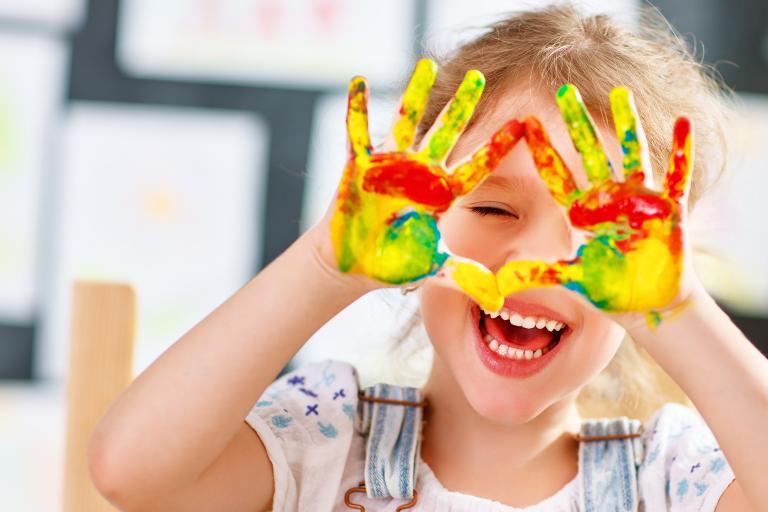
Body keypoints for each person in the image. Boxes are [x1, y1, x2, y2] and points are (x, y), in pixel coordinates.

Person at [87, 5, 768, 511]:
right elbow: (132, 473)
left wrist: (678, 310)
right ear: (412, 222)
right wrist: (326, 267)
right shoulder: (324, 442)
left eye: (598, 239)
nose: (534, 258)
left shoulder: (672, 482)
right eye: (494, 209)